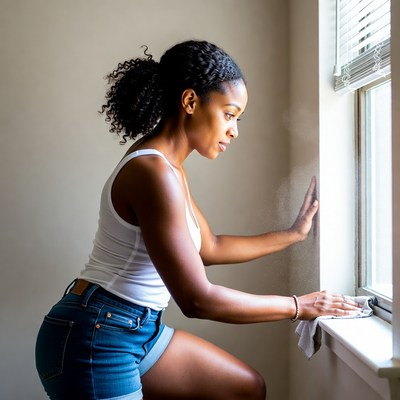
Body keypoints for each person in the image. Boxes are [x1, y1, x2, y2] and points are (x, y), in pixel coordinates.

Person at [35, 40, 361, 400]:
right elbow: (197, 299)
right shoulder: (152, 171)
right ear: (190, 102)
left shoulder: (170, 167)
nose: (234, 130)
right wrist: (299, 306)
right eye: (229, 114)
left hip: (136, 329)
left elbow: (209, 247)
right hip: (96, 333)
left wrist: (293, 234)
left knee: (245, 389)